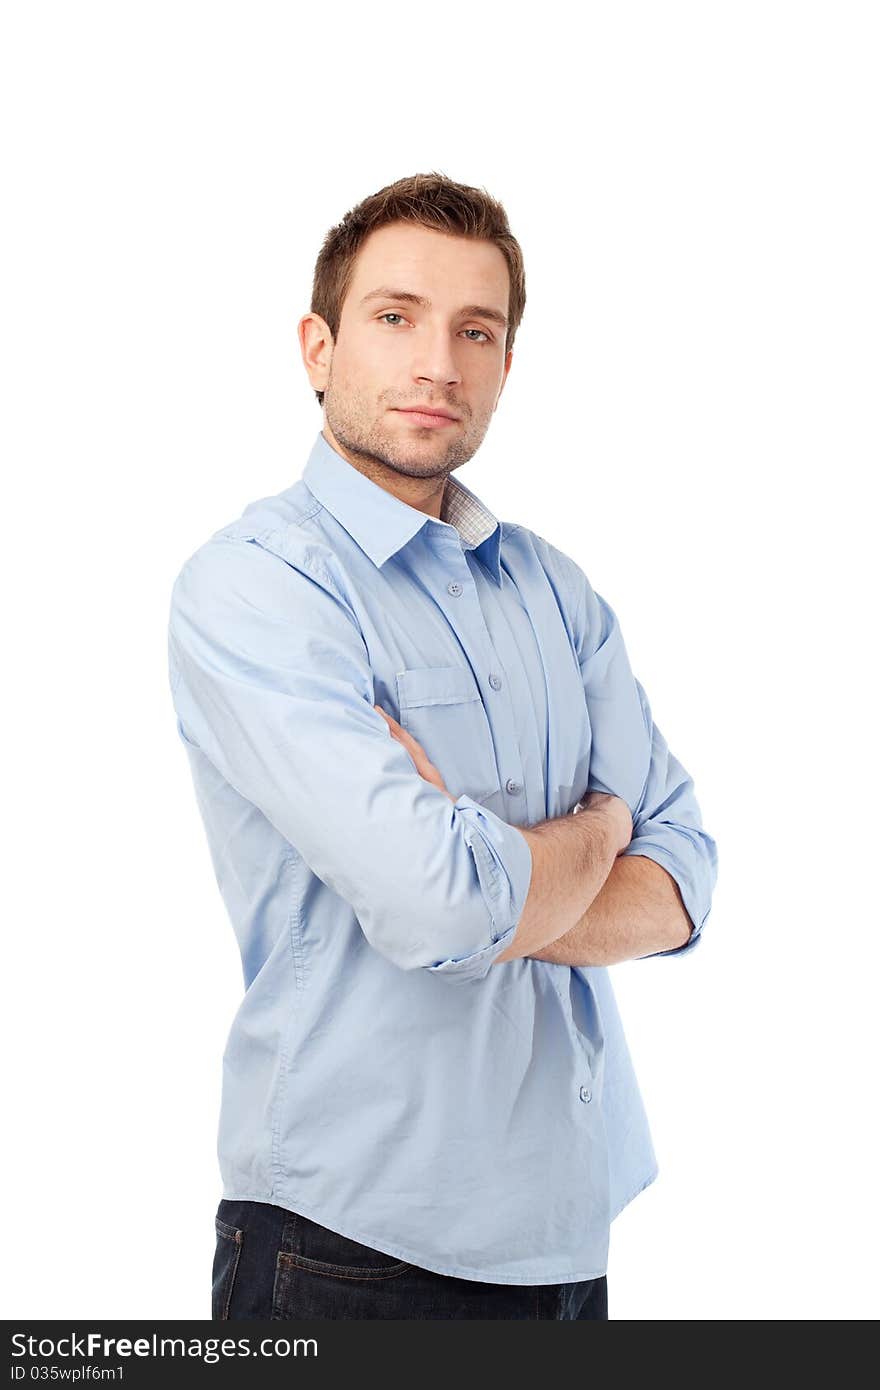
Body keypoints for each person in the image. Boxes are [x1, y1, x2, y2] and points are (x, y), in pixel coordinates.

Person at [166, 171, 718, 1321]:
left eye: (477, 331)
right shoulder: (259, 587)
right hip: (349, 1241)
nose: (439, 364)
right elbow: (436, 907)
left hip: (568, 1233)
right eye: (394, 316)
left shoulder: (552, 589)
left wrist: (509, 869)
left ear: (506, 368)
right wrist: (603, 825)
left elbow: (684, 881)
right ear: (317, 347)